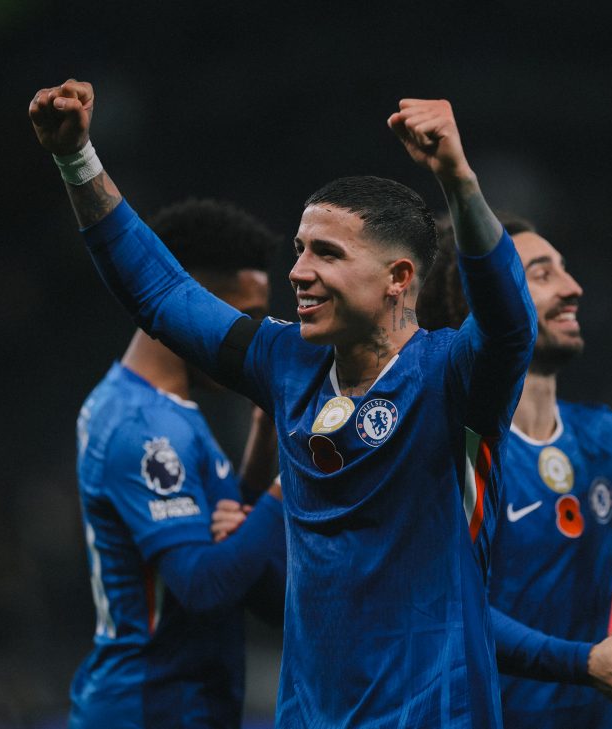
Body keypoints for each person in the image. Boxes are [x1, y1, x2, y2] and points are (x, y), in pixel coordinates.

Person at [30, 80, 537, 726]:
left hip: (432, 713)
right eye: (301, 249)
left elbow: (511, 323)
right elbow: (158, 291)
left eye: (326, 252)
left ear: (398, 278)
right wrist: (77, 159)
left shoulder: (453, 379)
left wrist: (459, 179)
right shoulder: (288, 361)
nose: (299, 272)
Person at [417, 215, 612, 727]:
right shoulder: (445, 445)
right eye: (542, 273)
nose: (573, 288)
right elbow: (447, 605)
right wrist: (581, 662)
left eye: (565, 270)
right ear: (489, 300)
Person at [70, 197, 287, 728]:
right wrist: (290, 489)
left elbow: (234, 549)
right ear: (198, 304)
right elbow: (202, 584)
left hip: (178, 704)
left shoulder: (169, 410)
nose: (254, 337)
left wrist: (264, 443)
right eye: (247, 317)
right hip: (149, 707)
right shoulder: (146, 429)